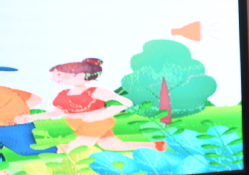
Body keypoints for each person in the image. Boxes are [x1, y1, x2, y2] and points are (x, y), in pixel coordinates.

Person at [17, 58, 165, 153]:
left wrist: (101, 115)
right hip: (77, 125)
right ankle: (155, 145)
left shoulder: (94, 91)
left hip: (96, 124)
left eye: (59, 74)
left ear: (79, 74)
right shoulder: (64, 94)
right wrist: (32, 117)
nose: (55, 78)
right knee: (112, 146)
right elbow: (55, 113)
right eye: (54, 75)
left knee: (75, 150)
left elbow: (125, 102)